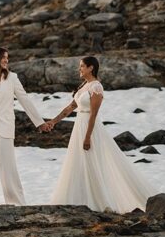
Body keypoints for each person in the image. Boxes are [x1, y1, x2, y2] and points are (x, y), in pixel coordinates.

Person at [46, 56, 158, 213]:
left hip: (89, 128)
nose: (79, 69)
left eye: (82, 66)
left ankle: (100, 202)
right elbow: (70, 107)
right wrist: (54, 121)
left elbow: (93, 114)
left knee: (92, 162)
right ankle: (79, 200)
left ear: (91, 68)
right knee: (78, 162)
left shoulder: (96, 87)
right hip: (79, 126)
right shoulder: (84, 86)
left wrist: (87, 137)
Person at [0, 47, 51, 205]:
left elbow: (25, 100)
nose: (6, 60)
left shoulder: (12, 78)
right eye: (4, 57)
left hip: (5, 127)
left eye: (7, 58)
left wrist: (39, 122)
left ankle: (16, 203)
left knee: (7, 168)